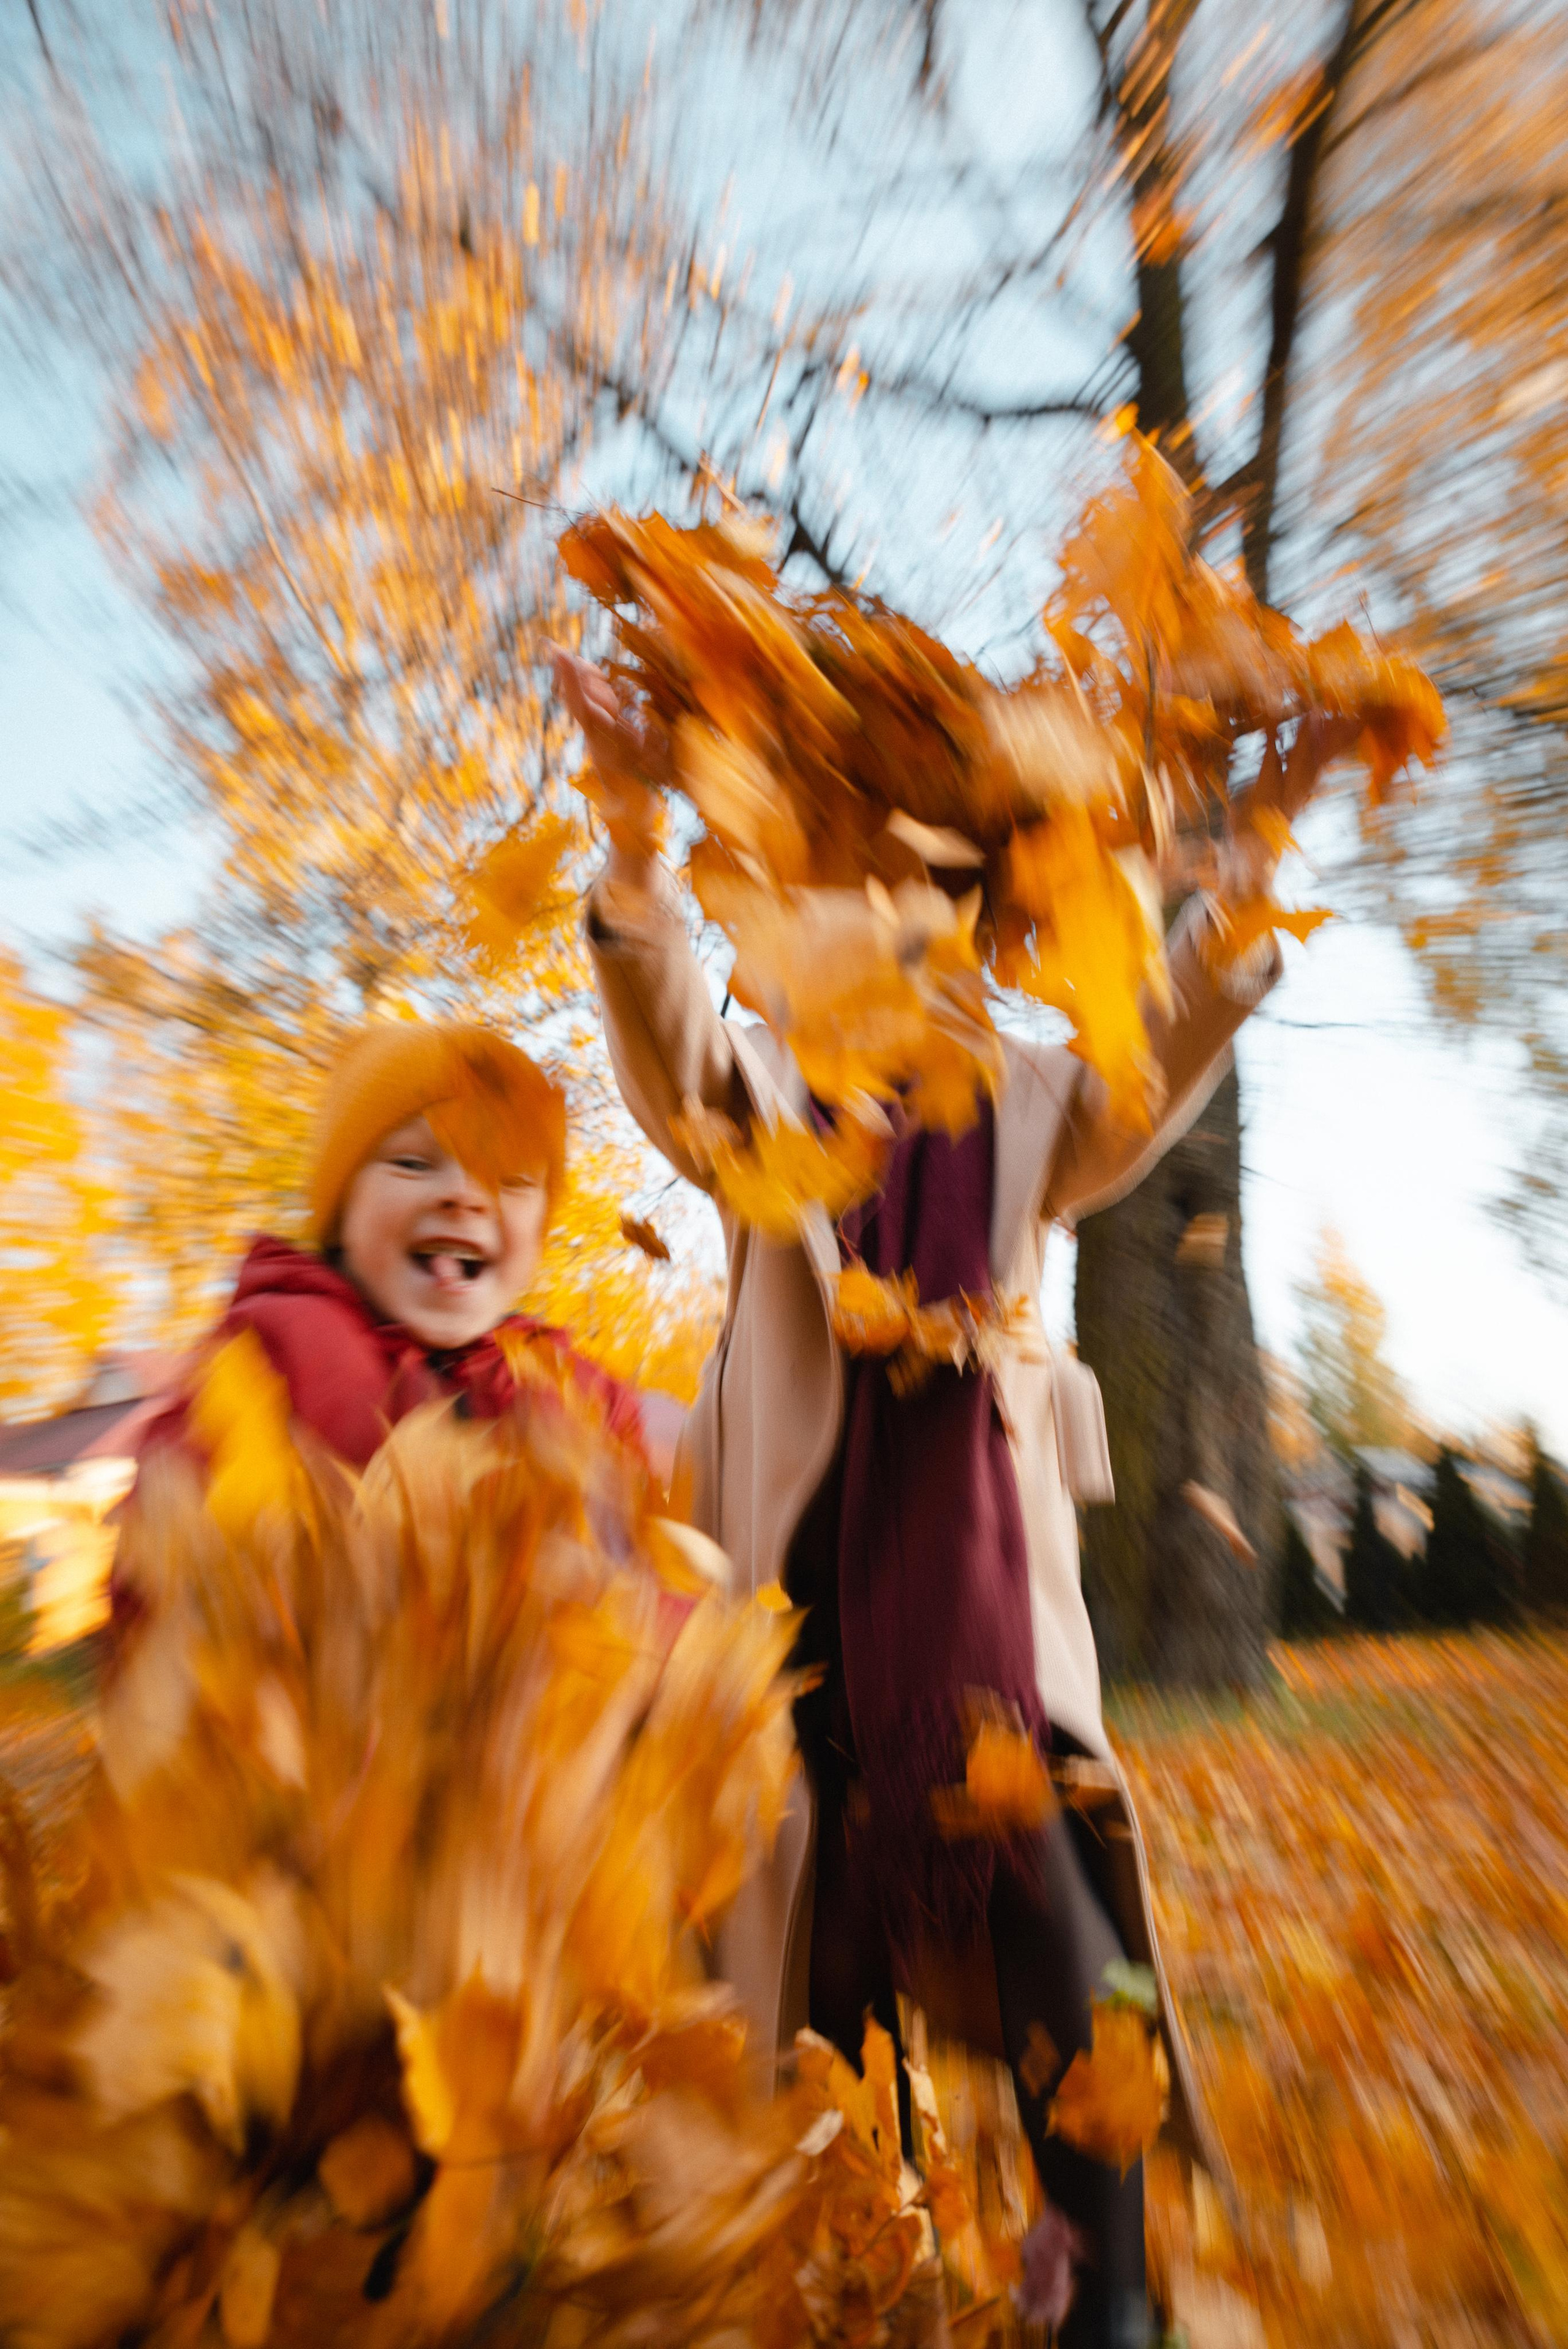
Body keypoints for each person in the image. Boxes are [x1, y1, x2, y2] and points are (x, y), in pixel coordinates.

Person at [558, 645, 1354, 2349]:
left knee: (1051, 1883)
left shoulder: (1032, 1099)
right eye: (845, 879)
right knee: (815, 1958)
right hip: (801, 1607)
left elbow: (1164, 1034)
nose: (885, 918)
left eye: (927, 887)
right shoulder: (756, 1087)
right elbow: (667, 1047)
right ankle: (848, 2263)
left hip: (980, 1616)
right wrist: (630, 838)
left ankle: (1110, 2286)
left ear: (979, 917)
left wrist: (1250, 854)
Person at [110, 1016, 643, 1644]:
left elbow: (660, 1585)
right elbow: (158, 1576)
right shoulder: (269, 1355)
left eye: (512, 1180)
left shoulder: (581, 1396)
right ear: (342, 1214)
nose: (466, 1196)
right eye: (415, 1163)